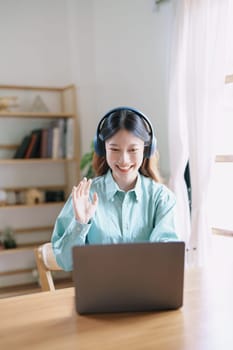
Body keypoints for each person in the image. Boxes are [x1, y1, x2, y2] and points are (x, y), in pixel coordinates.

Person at [52, 107, 178, 271]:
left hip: (147, 292)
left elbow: (167, 256)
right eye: (114, 149)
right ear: (103, 148)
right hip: (98, 294)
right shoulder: (85, 196)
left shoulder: (161, 198)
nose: (124, 160)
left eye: (133, 150)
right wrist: (80, 224)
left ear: (147, 149)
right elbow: (64, 262)